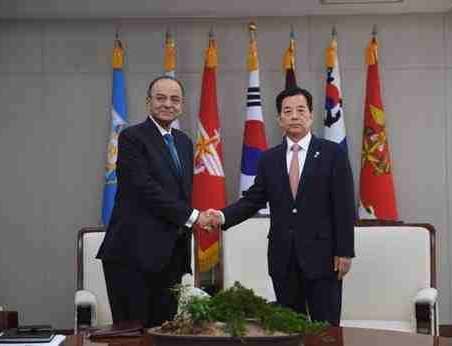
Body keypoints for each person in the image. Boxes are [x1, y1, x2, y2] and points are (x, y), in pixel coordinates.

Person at [207, 87, 356, 325]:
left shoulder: (332, 154)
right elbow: (253, 199)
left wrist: (345, 250)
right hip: (283, 258)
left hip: (324, 257)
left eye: (300, 110)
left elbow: (344, 205)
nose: (294, 116)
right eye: (287, 111)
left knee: (326, 330)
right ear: (279, 119)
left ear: (310, 115)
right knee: (289, 329)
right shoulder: (269, 158)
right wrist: (221, 216)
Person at [96, 75, 213, 327]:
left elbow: (180, 194)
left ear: (181, 106)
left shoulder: (183, 142)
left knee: (165, 333)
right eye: (160, 98)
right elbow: (145, 190)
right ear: (149, 102)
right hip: (133, 256)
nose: (167, 104)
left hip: (170, 256)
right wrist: (195, 217)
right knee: (133, 335)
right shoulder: (131, 138)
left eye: (174, 99)